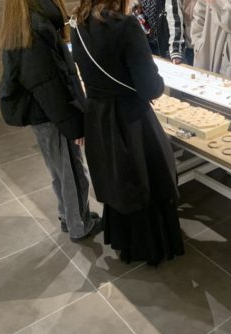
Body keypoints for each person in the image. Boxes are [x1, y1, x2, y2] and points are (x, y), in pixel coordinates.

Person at [71, 0, 185, 265]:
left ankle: (126, 243)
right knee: (145, 181)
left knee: (117, 180)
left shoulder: (77, 24)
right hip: (130, 119)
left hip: (98, 117)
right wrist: (157, 85)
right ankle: (150, 247)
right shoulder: (125, 25)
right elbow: (150, 86)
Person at [0, 0, 101, 242]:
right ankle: (79, 225)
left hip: (42, 113)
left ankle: (68, 216)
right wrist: (73, 124)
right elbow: (51, 86)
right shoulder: (37, 25)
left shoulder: (22, 21)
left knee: (59, 169)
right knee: (72, 171)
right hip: (53, 114)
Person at [191, 0, 231, 80]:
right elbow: (199, 16)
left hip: (227, 55)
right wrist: (198, 43)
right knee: (201, 84)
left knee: (225, 85)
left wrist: (217, 3)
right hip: (205, 50)